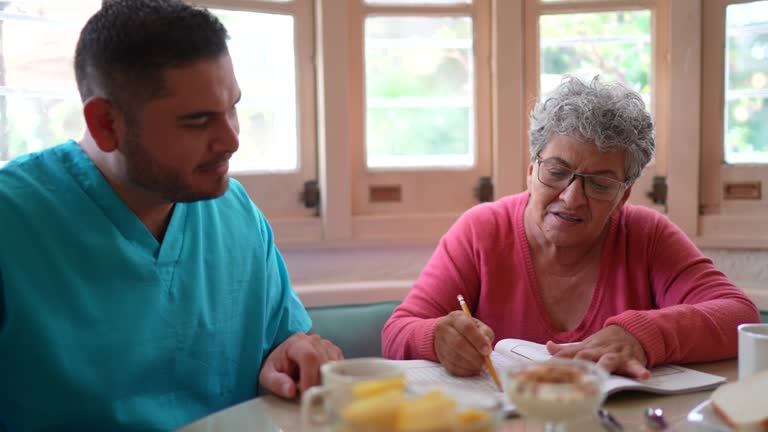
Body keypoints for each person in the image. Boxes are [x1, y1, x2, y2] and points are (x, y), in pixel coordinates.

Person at [0, 1, 342, 430]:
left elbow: (280, 347)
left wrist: (292, 355)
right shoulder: (12, 223)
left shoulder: (235, 214)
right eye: (198, 122)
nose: (232, 140)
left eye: (232, 108)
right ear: (106, 123)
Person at [382, 76, 760, 380]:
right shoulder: (481, 231)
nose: (572, 198)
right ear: (531, 172)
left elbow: (739, 314)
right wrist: (437, 338)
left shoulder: (646, 235)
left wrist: (642, 335)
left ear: (623, 196)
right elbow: (397, 333)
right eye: (557, 172)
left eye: (599, 184)